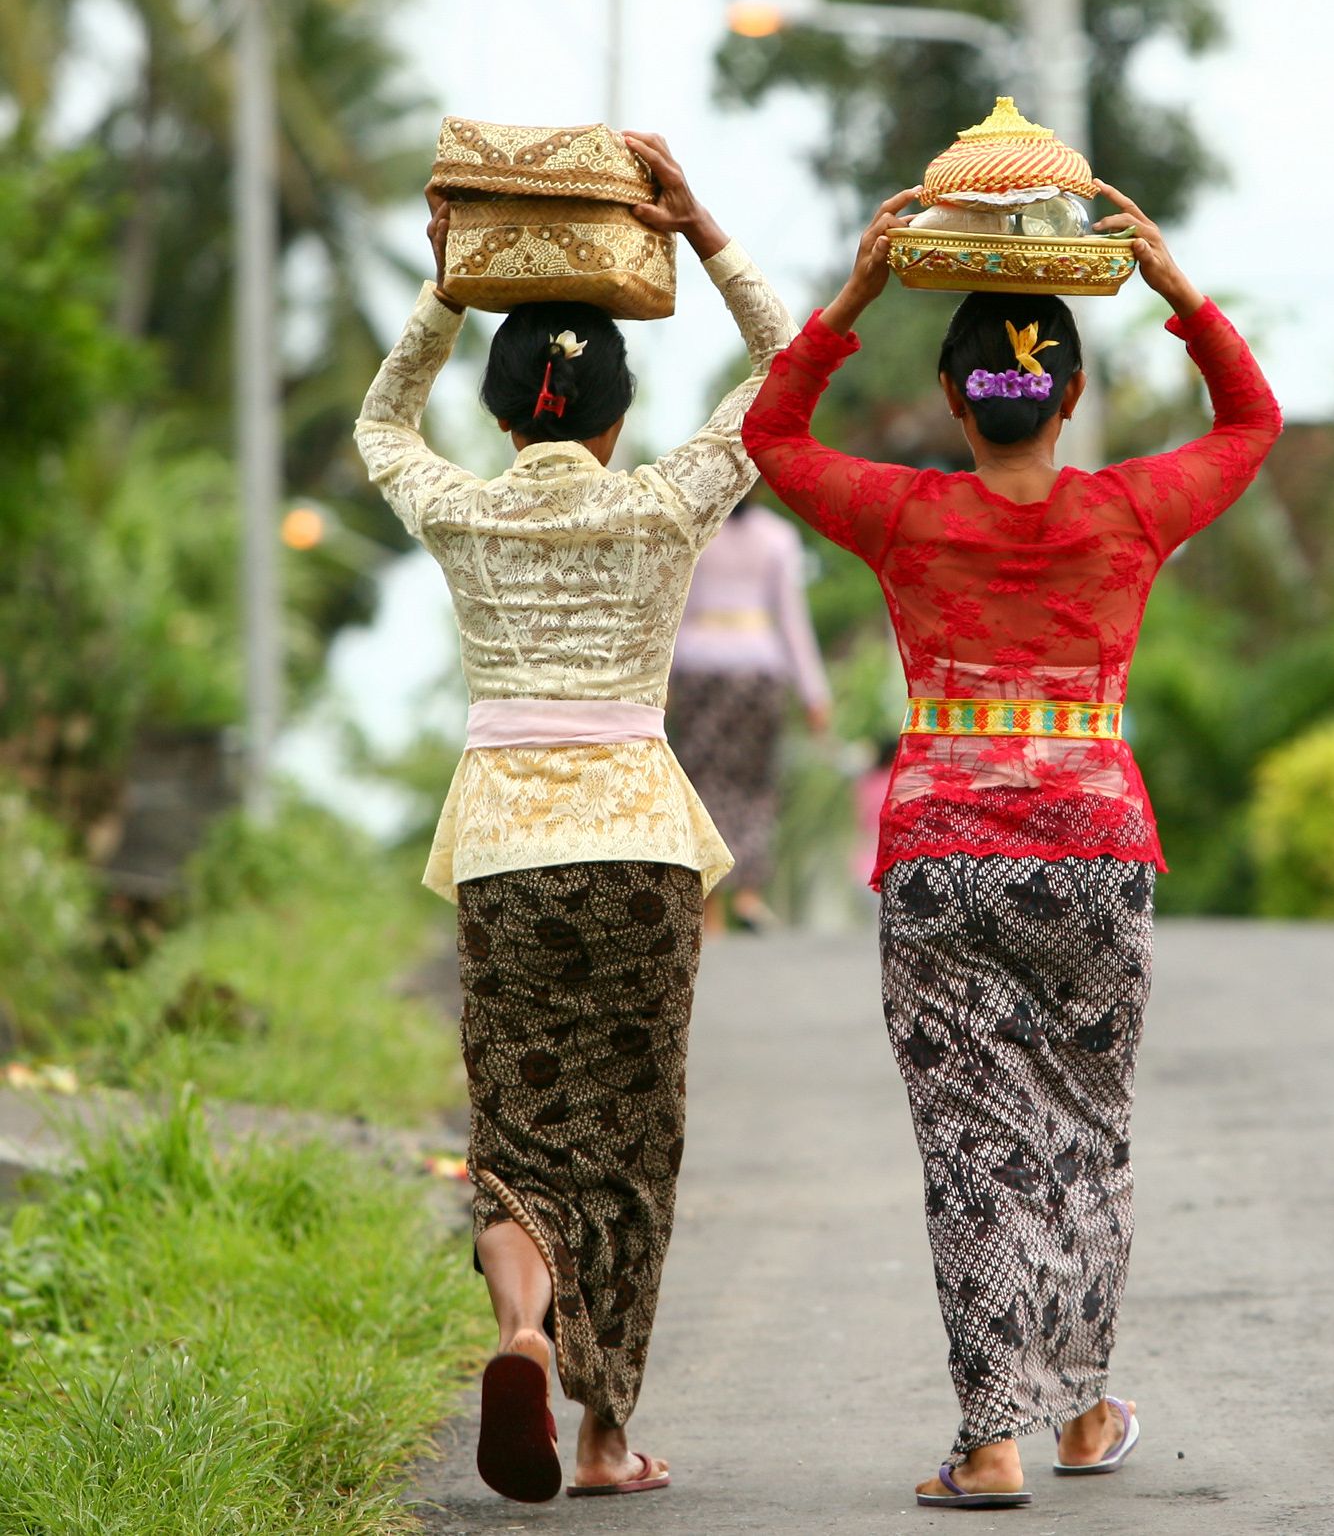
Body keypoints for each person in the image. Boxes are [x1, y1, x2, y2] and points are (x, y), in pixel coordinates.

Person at [743, 182, 1281, 1510]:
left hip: (939, 860)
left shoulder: (904, 513)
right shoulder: (1131, 511)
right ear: (1070, 392)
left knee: (973, 1153)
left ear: (950, 396)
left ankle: (992, 1440)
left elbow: (768, 434)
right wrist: (1172, 286)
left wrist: (857, 295)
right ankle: (1086, 1415)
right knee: (1087, 1135)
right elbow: (1253, 419)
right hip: (1096, 854)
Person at [355, 134, 787, 1503]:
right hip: (643, 852)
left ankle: (524, 1330)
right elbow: (784, 378)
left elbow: (376, 428)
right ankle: (605, 1438)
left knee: (522, 1136)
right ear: (614, 417)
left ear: (500, 416)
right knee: (633, 1140)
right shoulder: (665, 505)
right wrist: (706, 233)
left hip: (503, 853)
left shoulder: (467, 513)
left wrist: (446, 287)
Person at [668, 496, 832, 933]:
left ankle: (712, 905)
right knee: (756, 780)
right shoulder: (778, 536)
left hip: (700, 668)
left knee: (701, 779)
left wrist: (659, 681)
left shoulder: (697, 530)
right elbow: (792, 620)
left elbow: (678, 609)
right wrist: (814, 692)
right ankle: (749, 892)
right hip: (759, 667)